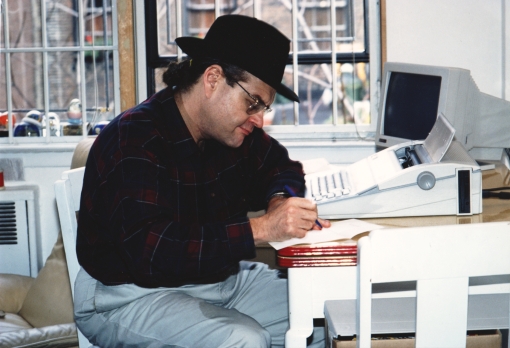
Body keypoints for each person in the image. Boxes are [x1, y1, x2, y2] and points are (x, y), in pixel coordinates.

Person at [74, 14, 330, 348]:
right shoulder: (134, 139)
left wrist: (280, 198)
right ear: (212, 80)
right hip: (127, 294)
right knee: (246, 341)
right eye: (253, 102)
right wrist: (263, 228)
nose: (259, 119)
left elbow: (282, 168)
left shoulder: (232, 132)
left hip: (215, 280)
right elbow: (152, 252)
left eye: (265, 107)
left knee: (327, 311)